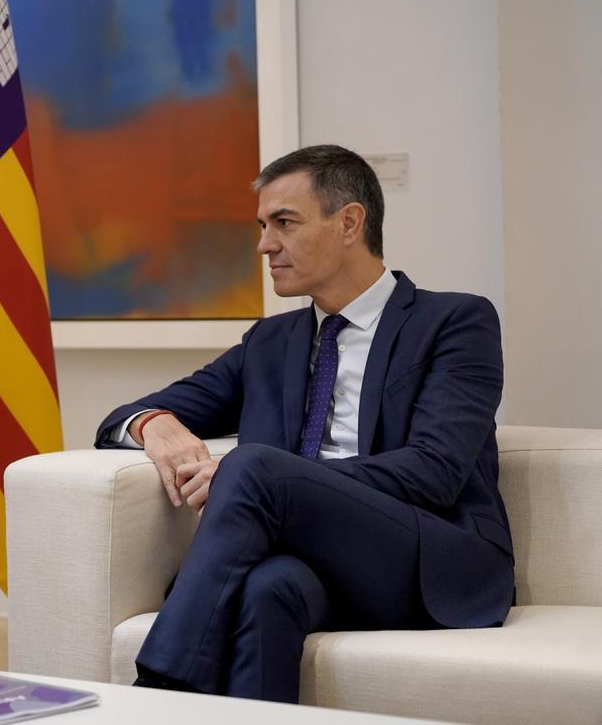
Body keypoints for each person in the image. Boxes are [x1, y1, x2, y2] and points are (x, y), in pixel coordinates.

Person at [95, 145, 514, 703]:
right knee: (270, 590)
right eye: (263, 226)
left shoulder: (456, 321)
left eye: (285, 223)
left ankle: (155, 693)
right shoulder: (269, 343)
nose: (265, 244)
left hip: (425, 556)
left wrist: (285, 483)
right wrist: (154, 424)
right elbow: (118, 419)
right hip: (311, 564)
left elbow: (434, 473)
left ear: (349, 223)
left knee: (256, 466)